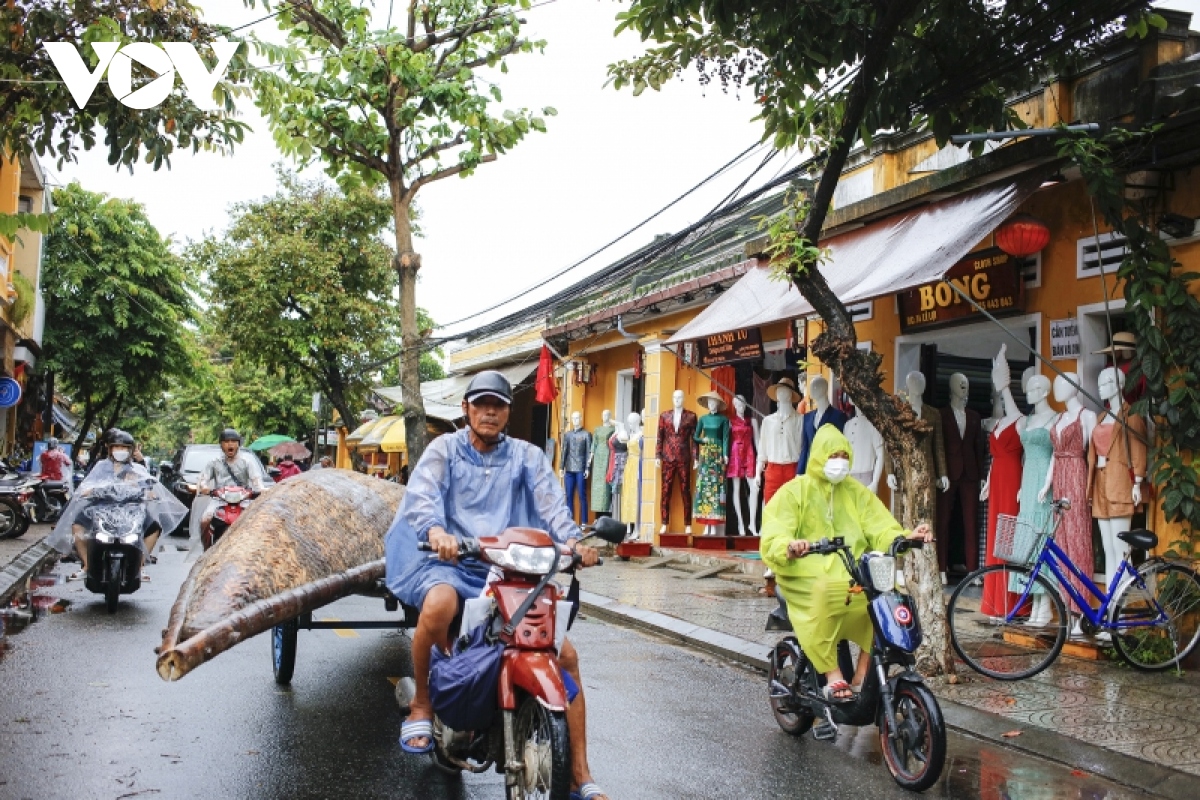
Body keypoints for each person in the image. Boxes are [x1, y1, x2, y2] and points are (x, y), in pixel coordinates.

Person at [385, 370, 610, 800]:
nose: (490, 411)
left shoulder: (527, 456)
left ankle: (580, 773)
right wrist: (436, 532)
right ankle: (422, 704)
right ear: (467, 409)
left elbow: (552, 507)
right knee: (437, 606)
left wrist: (574, 543)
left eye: (499, 405)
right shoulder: (444, 450)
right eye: (481, 404)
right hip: (450, 563)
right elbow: (423, 497)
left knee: (564, 655)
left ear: (507, 412)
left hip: (507, 570)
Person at [760, 425, 932, 702]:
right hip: (806, 570)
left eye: (843, 454)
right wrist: (790, 546)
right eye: (832, 455)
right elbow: (776, 531)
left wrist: (905, 537)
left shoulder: (856, 492)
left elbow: (880, 527)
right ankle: (832, 675)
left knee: (886, 601)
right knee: (826, 592)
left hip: (851, 570)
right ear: (817, 456)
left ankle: (862, 675)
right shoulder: (794, 491)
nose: (838, 461)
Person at [48, 430, 186, 582]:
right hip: (100, 508)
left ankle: (140, 567)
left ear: (130, 450)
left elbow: (147, 484)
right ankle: (87, 566)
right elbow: (88, 484)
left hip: (132, 510)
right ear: (110, 449)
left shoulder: (137, 469)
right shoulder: (100, 467)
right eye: (117, 447)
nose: (120, 451)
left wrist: (149, 492)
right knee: (77, 525)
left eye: (124, 448)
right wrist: (88, 491)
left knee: (154, 527)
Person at [196, 429, 265, 543]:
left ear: (238, 444)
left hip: (243, 500)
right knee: (205, 520)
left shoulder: (247, 462)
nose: (230, 444)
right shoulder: (214, 462)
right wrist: (204, 486)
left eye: (233, 441)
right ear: (221, 445)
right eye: (226, 441)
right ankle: (206, 551)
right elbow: (203, 478)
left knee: (258, 522)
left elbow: (256, 479)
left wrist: (261, 489)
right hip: (219, 500)